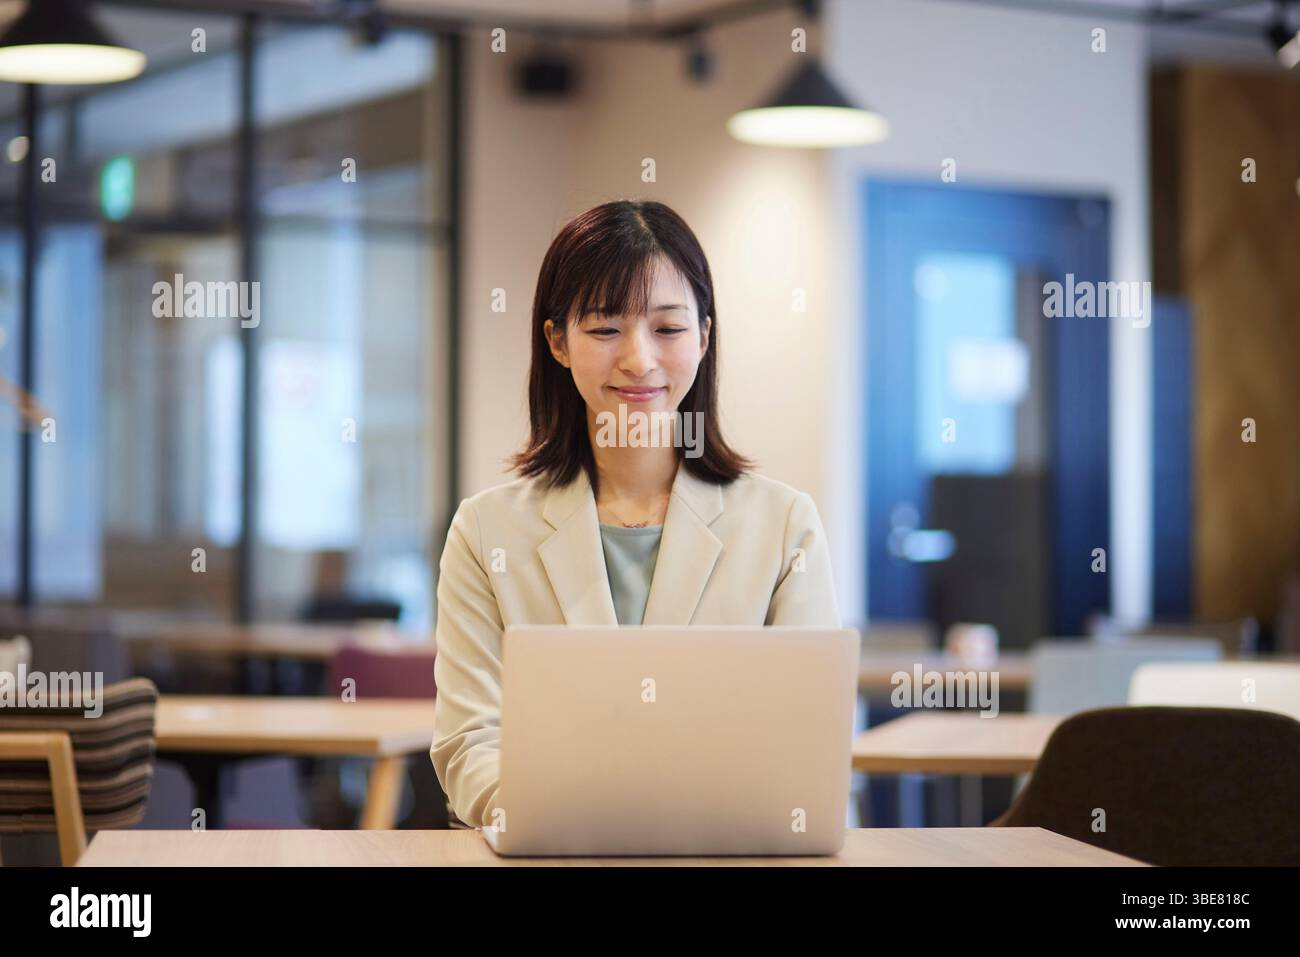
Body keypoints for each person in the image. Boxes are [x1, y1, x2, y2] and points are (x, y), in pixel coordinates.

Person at [430, 199, 841, 828]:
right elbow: (470, 742)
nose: (639, 358)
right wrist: (550, 820)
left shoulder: (785, 525)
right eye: (604, 329)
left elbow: (808, 743)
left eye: (668, 329)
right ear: (558, 342)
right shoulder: (486, 530)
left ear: (704, 336)